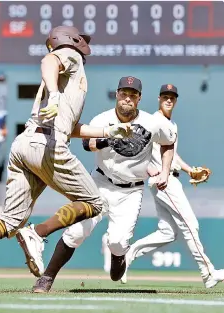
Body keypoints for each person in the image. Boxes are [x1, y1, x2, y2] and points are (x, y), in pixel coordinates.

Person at [0, 26, 132, 294]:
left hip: (25, 143)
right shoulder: (69, 56)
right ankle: (37, 233)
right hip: (46, 145)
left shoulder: (65, 79)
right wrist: (55, 90)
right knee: (93, 202)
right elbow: (48, 61)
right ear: (70, 40)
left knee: (10, 220)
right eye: (81, 40)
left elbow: (70, 127)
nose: (85, 45)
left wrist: (107, 131)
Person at [31, 76, 177, 293]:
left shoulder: (152, 123)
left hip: (131, 190)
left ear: (139, 98)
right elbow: (86, 145)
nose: (127, 98)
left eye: (132, 95)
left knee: (117, 243)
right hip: (99, 183)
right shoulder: (103, 119)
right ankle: (47, 278)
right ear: (117, 95)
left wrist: (165, 171)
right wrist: (112, 136)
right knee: (76, 232)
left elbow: (168, 142)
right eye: (124, 94)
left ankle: (119, 258)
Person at [120, 84, 224, 288]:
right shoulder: (154, 122)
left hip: (170, 178)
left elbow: (171, 153)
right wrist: (148, 169)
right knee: (191, 224)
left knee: (168, 232)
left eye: (172, 97)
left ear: (176, 100)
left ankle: (128, 255)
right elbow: (136, 148)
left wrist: (190, 170)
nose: (169, 100)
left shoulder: (171, 124)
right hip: (164, 182)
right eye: (165, 96)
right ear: (158, 99)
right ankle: (207, 273)